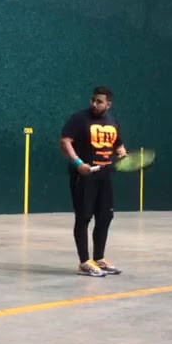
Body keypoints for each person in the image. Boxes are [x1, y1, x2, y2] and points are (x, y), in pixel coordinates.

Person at [59, 86, 127, 277]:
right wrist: (78, 163)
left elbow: (118, 145)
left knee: (105, 217)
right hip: (84, 175)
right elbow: (65, 142)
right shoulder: (79, 118)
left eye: (99, 101)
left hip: (104, 176)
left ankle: (99, 259)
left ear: (108, 104)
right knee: (84, 217)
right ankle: (84, 262)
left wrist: (121, 153)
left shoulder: (113, 122)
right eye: (93, 100)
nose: (95, 104)